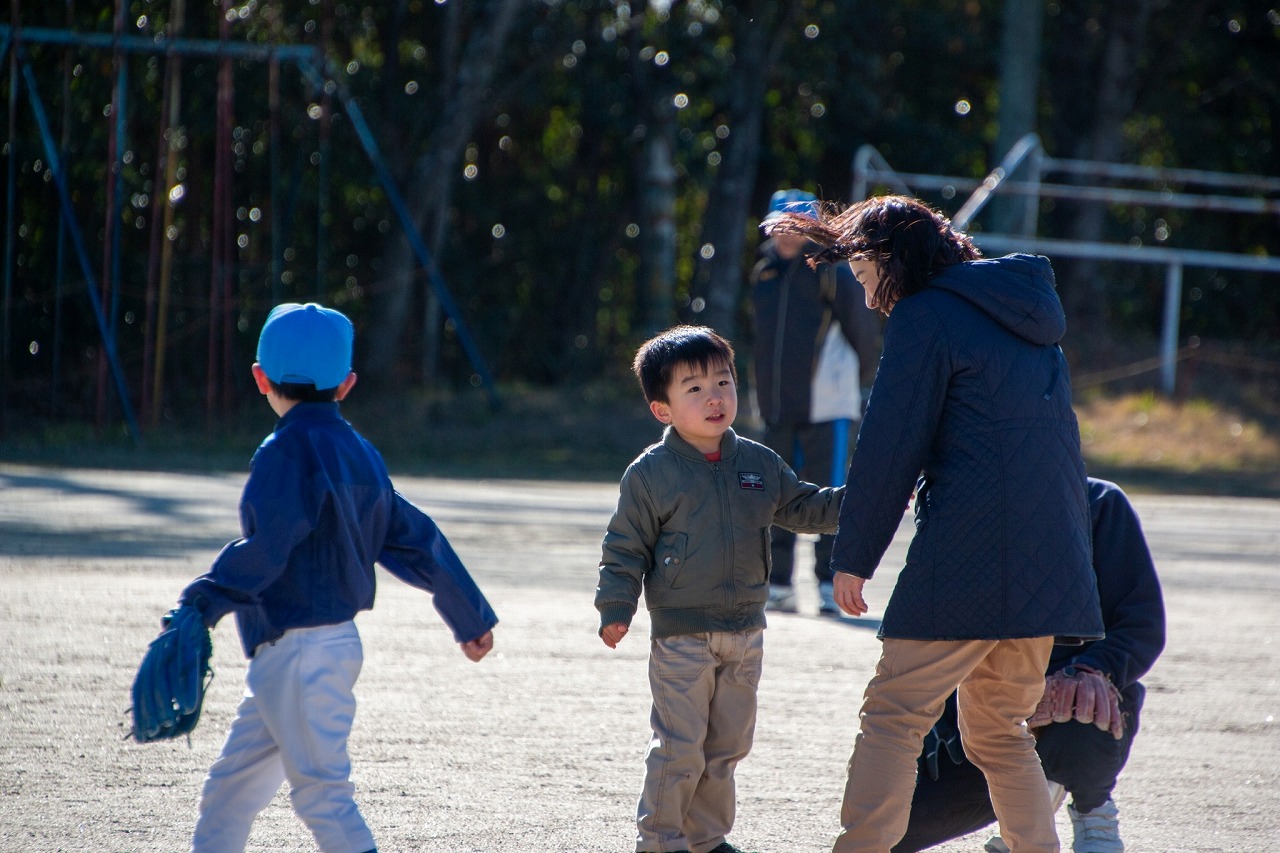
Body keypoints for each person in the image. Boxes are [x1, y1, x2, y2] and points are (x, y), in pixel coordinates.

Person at [765, 195, 1104, 853]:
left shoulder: (927, 316)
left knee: (892, 714)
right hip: (1051, 565)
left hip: (971, 558)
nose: (866, 301)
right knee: (999, 728)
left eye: (864, 278)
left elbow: (891, 444)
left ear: (891, 259)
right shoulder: (1029, 319)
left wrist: (853, 553)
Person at [174, 302, 499, 853]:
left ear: (260, 378)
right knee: (229, 793)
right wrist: (468, 614)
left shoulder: (283, 451)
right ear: (346, 385)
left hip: (300, 650)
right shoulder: (363, 455)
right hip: (320, 649)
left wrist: (204, 600)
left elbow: (269, 544)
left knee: (322, 795)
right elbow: (417, 537)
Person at [595, 325, 846, 853]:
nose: (714, 397)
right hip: (682, 637)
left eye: (723, 382)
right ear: (662, 408)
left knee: (726, 748)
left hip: (746, 633)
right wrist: (616, 606)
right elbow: (624, 546)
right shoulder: (650, 474)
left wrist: (868, 502)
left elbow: (805, 507)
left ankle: (706, 841)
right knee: (680, 749)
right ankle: (661, 842)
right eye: (694, 388)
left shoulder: (757, 462)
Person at [895, 477, 1166, 853]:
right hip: (977, 712)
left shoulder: (1099, 502)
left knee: (1083, 701)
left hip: (1070, 704)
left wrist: (1085, 673)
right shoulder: (956, 498)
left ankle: (1092, 807)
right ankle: (1038, 798)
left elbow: (1142, 625)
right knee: (891, 832)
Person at [750, 189, 882, 617]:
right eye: (780, 226)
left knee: (830, 494)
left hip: (827, 405)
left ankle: (828, 582)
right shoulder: (764, 273)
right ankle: (779, 582)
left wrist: (861, 383)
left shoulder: (832, 272)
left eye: (796, 227)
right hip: (777, 407)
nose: (787, 236)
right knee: (775, 494)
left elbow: (863, 334)